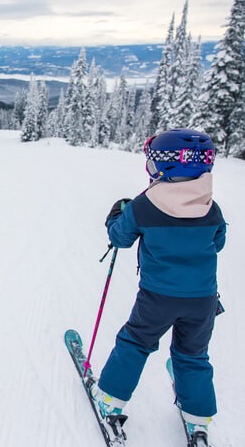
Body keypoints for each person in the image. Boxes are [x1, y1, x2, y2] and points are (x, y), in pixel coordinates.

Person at [93, 128, 226, 439]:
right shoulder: (211, 207)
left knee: (136, 342)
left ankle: (110, 399)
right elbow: (217, 242)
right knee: (192, 355)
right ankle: (197, 418)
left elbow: (120, 237)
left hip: (158, 298)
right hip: (203, 300)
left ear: (165, 167)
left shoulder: (144, 205)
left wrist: (116, 215)